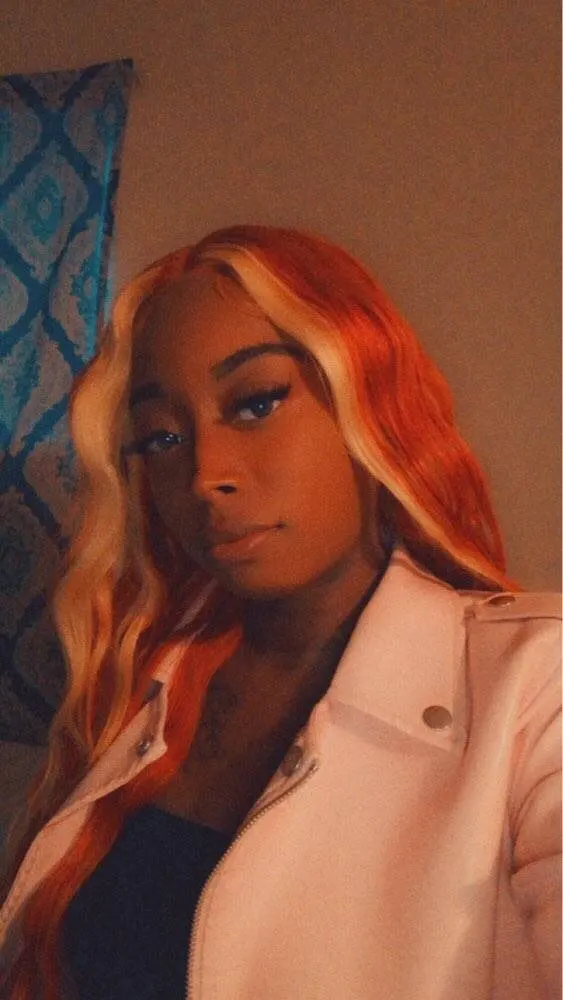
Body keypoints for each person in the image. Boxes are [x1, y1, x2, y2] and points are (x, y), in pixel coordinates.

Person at [0, 225, 560, 1000]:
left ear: (366, 395)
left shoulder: (533, 686)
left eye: (256, 402)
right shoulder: (142, 681)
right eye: (161, 437)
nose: (205, 474)